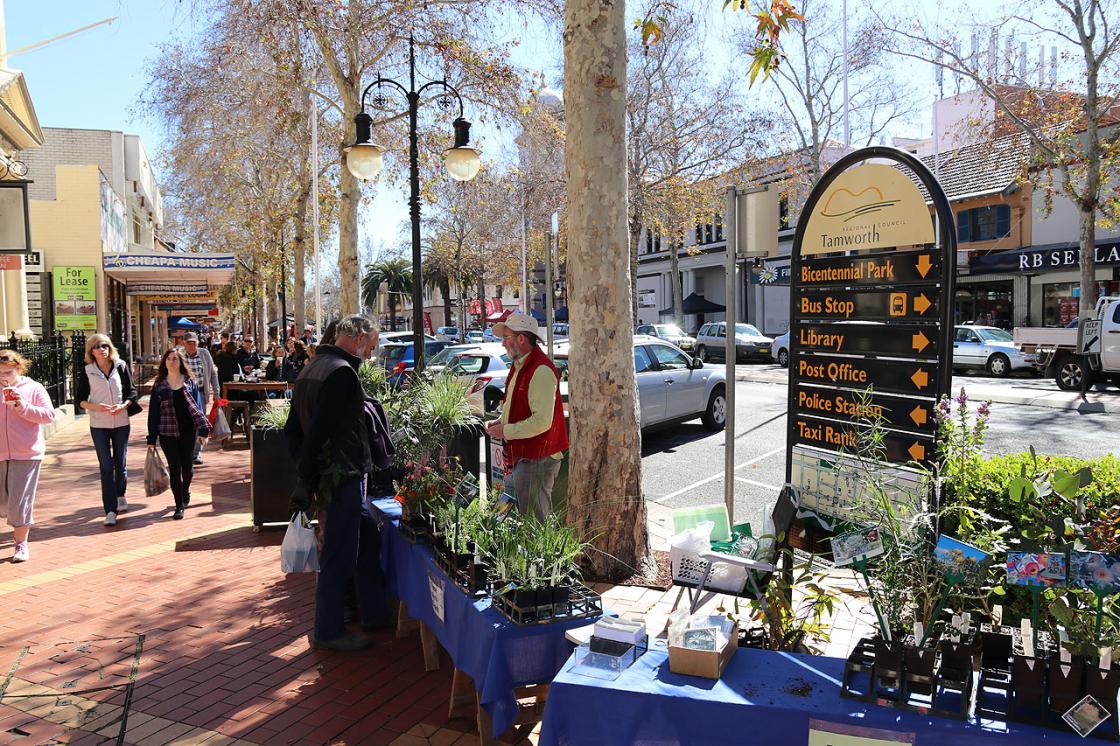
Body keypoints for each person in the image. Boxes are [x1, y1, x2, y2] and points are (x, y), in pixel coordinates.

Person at [284, 314, 392, 651]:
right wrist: (312, 474)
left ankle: (374, 612)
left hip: (336, 476)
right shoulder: (341, 373)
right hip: (339, 477)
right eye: (371, 346)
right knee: (337, 553)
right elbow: (319, 430)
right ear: (359, 338)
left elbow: (292, 430)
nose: (371, 355)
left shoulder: (315, 366)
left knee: (367, 540)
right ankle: (328, 630)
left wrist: (306, 468)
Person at [484, 311, 568, 521]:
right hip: (526, 458)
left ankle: (537, 554)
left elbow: (542, 421)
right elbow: (514, 405)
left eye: (506, 338)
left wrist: (506, 430)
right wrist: (500, 421)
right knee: (508, 515)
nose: (503, 344)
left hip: (538, 459)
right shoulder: (519, 365)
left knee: (534, 524)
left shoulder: (540, 370)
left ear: (521, 339)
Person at [76, 334, 140, 527]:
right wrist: (97, 407)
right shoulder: (87, 371)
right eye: (96, 346)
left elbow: (132, 391)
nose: (101, 349)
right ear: (91, 351)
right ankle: (110, 510)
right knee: (106, 466)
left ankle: (120, 495)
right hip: (99, 425)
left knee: (120, 464)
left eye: (104, 345)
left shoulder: (120, 366)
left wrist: (124, 405)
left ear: (109, 348)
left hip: (120, 422)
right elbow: (79, 400)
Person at [0, 350, 55, 562]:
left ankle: (21, 544)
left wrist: (22, 406)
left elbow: (48, 415)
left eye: (8, 372)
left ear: (18, 368)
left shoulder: (34, 388)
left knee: (19, 502)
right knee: (4, 504)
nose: (4, 376)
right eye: (1, 372)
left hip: (26, 453)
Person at [146, 349, 211, 520]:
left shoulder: (190, 382)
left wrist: (203, 430)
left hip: (187, 431)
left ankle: (185, 490)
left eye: (175, 358)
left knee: (187, 469)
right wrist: (151, 437)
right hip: (167, 432)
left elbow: (198, 408)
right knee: (174, 469)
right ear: (164, 362)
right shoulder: (159, 384)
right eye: (168, 359)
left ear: (181, 362)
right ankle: (179, 505)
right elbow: (153, 412)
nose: (172, 361)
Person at [179, 333, 219, 465]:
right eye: (189, 343)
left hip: (200, 393)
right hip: (183, 394)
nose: (192, 346)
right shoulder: (178, 355)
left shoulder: (204, 353)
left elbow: (213, 373)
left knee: (199, 423)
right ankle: (185, 452)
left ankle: (196, 453)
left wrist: (216, 392)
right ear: (184, 343)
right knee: (184, 423)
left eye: (194, 343)